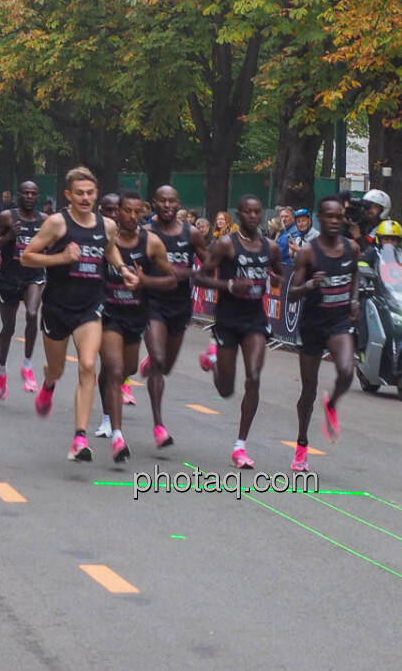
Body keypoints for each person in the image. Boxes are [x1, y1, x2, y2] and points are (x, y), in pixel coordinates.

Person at [20, 166, 124, 461]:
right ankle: (49, 383)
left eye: (90, 193)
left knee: (89, 365)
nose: (85, 197)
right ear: (69, 194)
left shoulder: (107, 225)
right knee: (57, 369)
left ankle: (79, 438)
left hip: (90, 307)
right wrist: (62, 258)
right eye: (79, 193)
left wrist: (124, 268)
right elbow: (27, 256)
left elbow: (111, 251)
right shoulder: (57, 223)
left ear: (96, 194)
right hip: (57, 307)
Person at [194, 194, 282, 469]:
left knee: (254, 376)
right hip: (228, 319)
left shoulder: (271, 247)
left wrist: (276, 279)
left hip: (255, 319)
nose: (253, 216)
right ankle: (215, 361)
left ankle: (240, 445)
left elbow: (278, 273)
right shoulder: (225, 245)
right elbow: (200, 276)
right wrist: (230, 286)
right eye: (247, 212)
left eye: (257, 212)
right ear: (239, 215)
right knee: (226, 390)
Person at [95, 191, 175, 460]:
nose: (130, 216)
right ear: (116, 211)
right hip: (109, 313)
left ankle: (107, 382)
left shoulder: (151, 243)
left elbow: (172, 280)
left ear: (143, 212)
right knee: (116, 371)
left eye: (135, 211)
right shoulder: (106, 239)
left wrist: (145, 282)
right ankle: (118, 436)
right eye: (125, 211)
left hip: (137, 314)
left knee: (126, 368)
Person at [290, 195, 359, 472]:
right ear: (320, 218)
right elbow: (292, 294)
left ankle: (332, 403)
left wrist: (354, 299)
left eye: (338, 217)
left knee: (346, 371)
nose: (334, 221)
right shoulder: (309, 252)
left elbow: (355, 277)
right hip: (313, 324)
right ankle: (302, 445)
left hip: (339, 321)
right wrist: (309, 284)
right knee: (308, 390)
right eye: (328, 217)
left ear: (343, 219)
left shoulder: (352, 248)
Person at [138, 184, 206, 449]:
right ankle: (158, 426)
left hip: (180, 305)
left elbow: (208, 263)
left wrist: (195, 274)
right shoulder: (145, 234)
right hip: (152, 303)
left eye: (172, 202)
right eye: (162, 201)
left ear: (179, 204)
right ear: (154, 203)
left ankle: (152, 361)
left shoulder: (191, 234)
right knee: (158, 360)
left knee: (165, 367)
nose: (167, 206)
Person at [0, 180, 47, 398]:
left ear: (38, 196)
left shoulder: (45, 221)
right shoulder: (7, 218)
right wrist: (8, 237)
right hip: (9, 278)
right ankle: (2, 371)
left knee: (31, 314)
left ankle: (27, 366)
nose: (29, 196)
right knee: (8, 328)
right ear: (19, 195)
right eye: (25, 193)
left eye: (33, 193)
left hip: (34, 277)